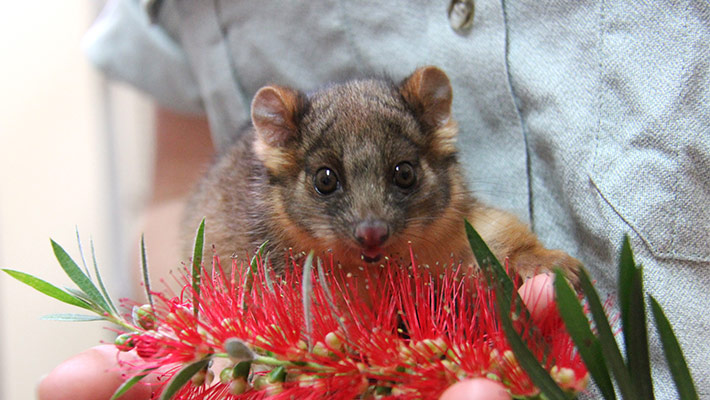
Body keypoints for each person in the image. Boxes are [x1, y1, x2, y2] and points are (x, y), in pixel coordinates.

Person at [40, 0, 710, 399]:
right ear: (286, 159)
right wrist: (185, 339)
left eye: (400, 177)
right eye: (328, 184)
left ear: (435, 141)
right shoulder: (268, 225)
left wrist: (532, 260)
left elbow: (485, 232)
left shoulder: (449, 215)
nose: (370, 225)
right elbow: (174, 195)